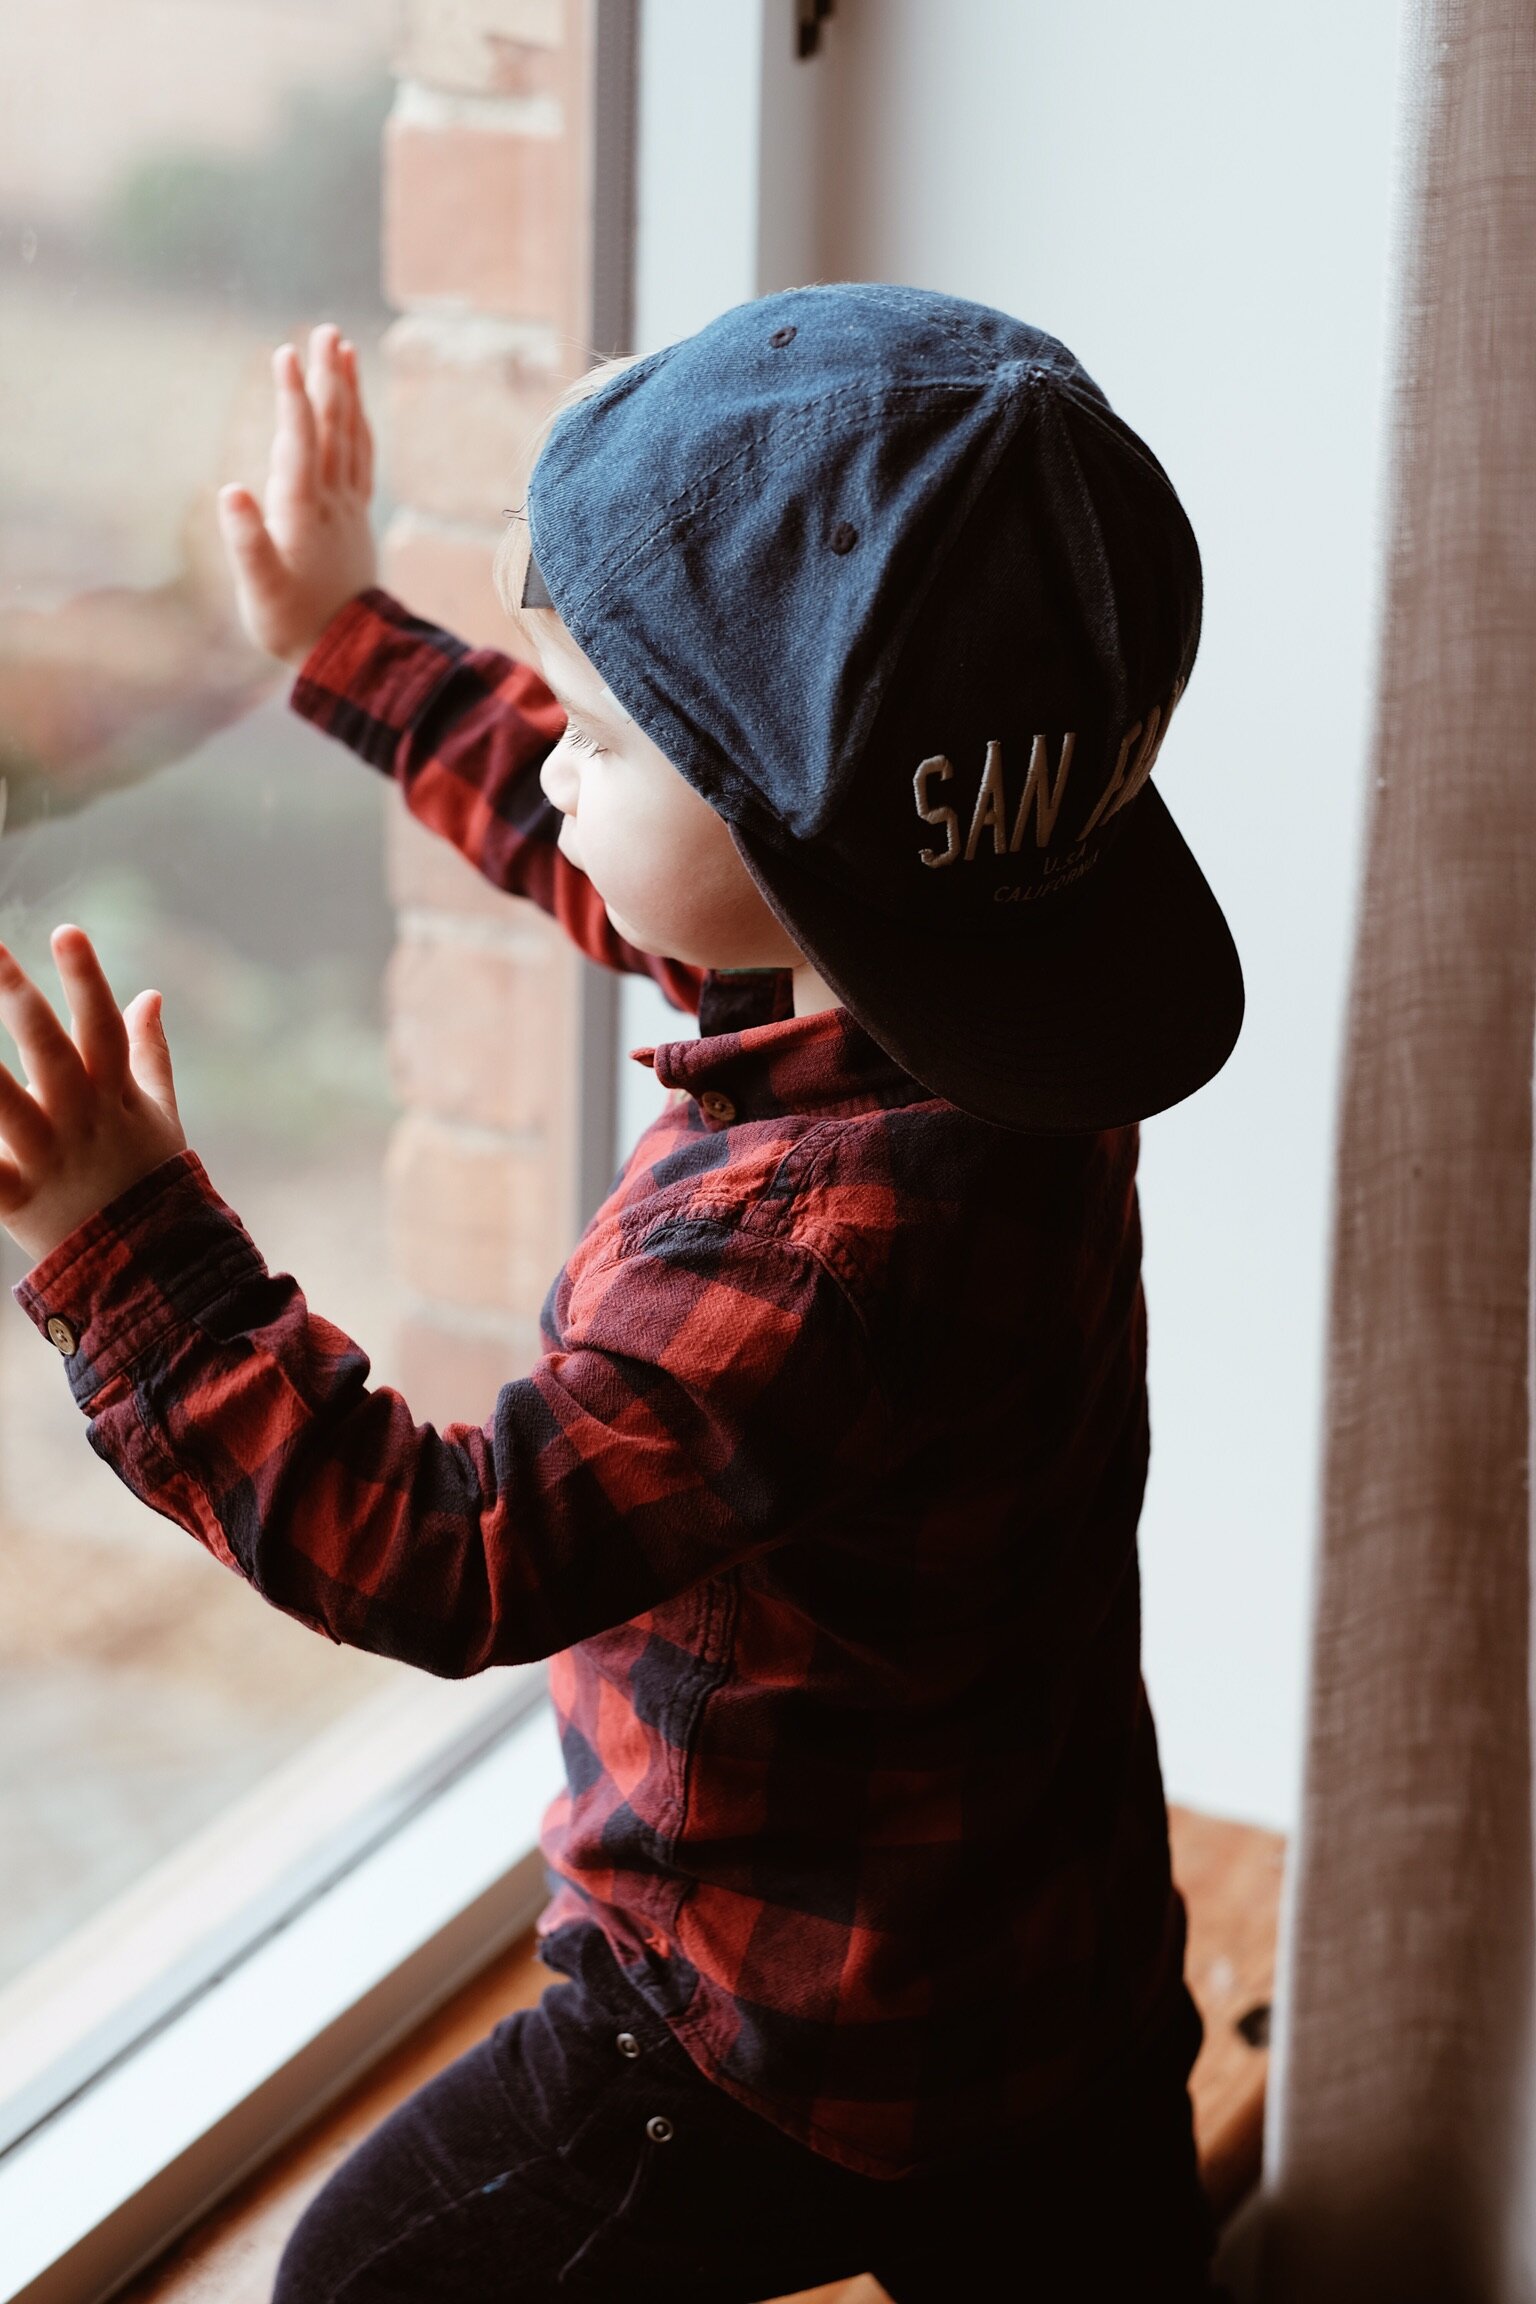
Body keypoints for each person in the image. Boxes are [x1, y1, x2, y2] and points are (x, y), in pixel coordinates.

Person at [1, 290, 1243, 2301]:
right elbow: (681, 868)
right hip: (1052, 1962)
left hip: (772, 2038)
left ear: (790, 830)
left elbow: (448, 1549)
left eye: (591, 726)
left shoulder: (820, 1248)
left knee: (351, 2279)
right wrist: (350, 643)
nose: (560, 766)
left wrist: (129, 1245)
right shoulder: (1000, 989)